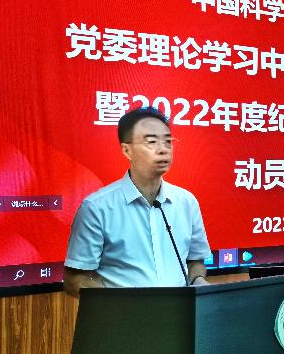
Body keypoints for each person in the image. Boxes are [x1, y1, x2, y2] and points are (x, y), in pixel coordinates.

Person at [63, 107, 211, 297]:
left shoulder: (187, 202)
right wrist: (122, 305)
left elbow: (195, 261)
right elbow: (74, 280)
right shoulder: (97, 207)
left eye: (168, 141)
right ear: (127, 150)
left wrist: (199, 281)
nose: (163, 149)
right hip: (122, 314)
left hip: (180, 312)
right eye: (151, 142)